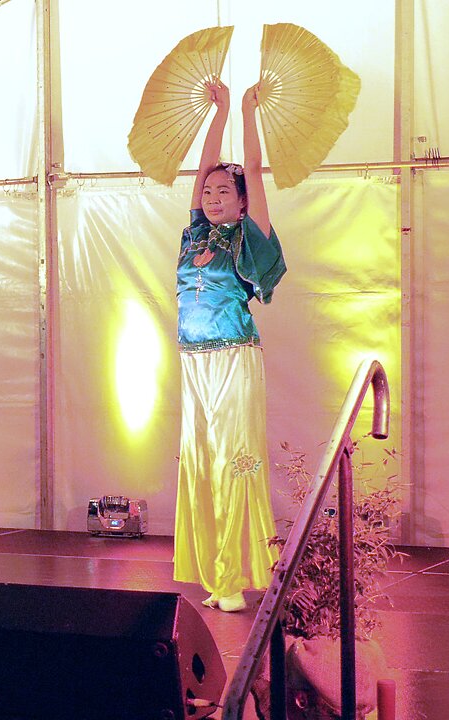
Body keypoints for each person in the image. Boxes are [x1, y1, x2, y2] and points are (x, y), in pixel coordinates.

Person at [172, 80, 286, 612]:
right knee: (198, 463)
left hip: (233, 360)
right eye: (209, 193)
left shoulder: (247, 236)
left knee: (233, 462)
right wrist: (215, 115)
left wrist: (245, 112)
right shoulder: (195, 235)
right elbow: (202, 170)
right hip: (193, 364)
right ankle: (216, 574)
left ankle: (236, 573)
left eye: (224, 193)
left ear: (242, 204)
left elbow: (256, 173)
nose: (213, 198)